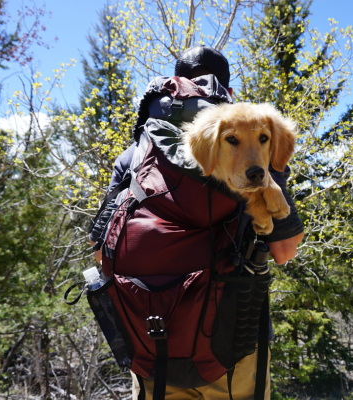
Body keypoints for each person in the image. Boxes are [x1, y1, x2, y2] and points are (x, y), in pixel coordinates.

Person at [91, 46, 304, 399]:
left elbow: (102, 252)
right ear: (228, 93)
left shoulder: (135, 155)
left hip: (151, 346)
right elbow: (283, 250)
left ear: (176, 84)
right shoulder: (253, 145)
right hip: (233, 345)